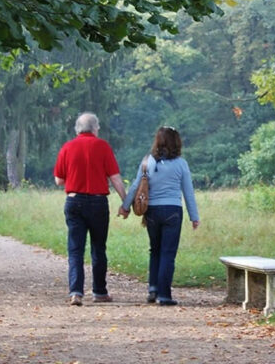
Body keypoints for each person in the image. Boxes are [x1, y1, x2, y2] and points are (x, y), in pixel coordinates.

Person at [120, 126, 200, 306]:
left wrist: (125, 207)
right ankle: (164, 295)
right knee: (168, 253)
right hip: (172, 211)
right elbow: (188, 192)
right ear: (177, 142)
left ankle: (153, 288)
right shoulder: (181, 164)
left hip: (152, 212)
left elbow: (135, 186)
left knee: (154, 250)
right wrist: (194, 217)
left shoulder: (148, 162)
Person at [54, 112, 127, 306]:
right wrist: (126, 202)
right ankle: (99, 291)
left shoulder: (67, 148)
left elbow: (59, 180)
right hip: (97, 202)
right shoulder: (102, 146)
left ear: (78, 128)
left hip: (74, 201)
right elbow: (115, 178)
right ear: (95, 128)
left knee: (75, 249)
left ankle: (76, 292)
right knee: (98, 248)